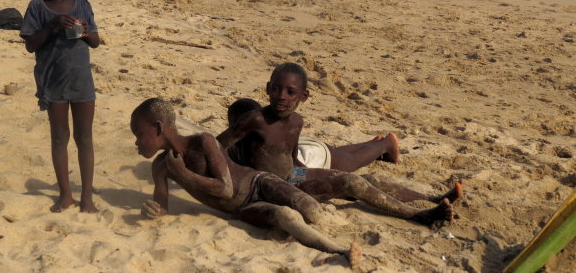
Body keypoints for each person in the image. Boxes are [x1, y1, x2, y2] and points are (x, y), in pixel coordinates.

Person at [218, 63, 463, 226]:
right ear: (268, 90)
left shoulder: (296, 122)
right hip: (277, 186)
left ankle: (431, 198)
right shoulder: (255, 121)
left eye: (290, 92)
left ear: (303, 96)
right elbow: (217, 148)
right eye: (277, 90)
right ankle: (419, 216)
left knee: (369, 180)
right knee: (352, 182)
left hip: (294, 176)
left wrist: (316, 176)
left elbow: (293, 161)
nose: (282, 96)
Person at [131, 98, 362, 268]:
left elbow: (225, 187)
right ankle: (339, 251)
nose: (136, 143)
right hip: (242, 209)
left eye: (139, 134)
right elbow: (161, 206)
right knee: (286, 216)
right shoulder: (160, 167)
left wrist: (185, 175)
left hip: (260, 181)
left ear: (159, 128)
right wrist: (153, 210)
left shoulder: (203, 141)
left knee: (311, 210)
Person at [20, 0, 100, 213]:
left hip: (82, 84)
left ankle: (86, 196)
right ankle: (65, 194)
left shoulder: (83, 5)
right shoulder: (37, 7)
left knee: (85, 139)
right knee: (59, 138)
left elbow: (96, 43)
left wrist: (86, 31)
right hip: (53, 84)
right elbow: (31, 44)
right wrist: (53, 24)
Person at [227, 98, 399, 171]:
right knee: (338, 153)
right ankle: (371, 143)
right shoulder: (253, 137)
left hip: (309, 156)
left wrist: (311, 177)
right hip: (302, 144)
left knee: (348, 162)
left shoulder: (240, 144)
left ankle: (385, 144)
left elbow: (297, 168)